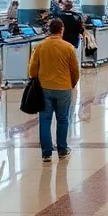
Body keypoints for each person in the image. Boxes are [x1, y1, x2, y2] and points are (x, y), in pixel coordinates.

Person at [28, 18, 80, 163]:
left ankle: (46, 153)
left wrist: (37, 79)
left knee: (45, 119)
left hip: (44, 88)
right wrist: (72, 83)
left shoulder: (40, 46)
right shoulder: (68, 47)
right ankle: (62, 150)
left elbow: (32, 70)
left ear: (49, 30)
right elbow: (75, 70)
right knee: (63, 119)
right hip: (64, 88)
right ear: (62, 30)